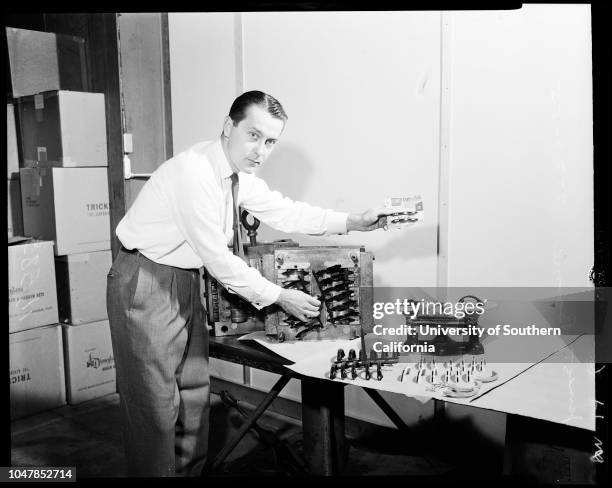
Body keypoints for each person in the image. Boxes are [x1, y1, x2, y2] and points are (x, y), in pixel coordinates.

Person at [106, 90, 397, 477]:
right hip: (145, 279)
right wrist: (278, 296)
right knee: (155, 409)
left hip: (184, 278)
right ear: (229, 127)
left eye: (271, 141)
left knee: (193, 399)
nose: (261, 150)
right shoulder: (194, 174)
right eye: (254, 135)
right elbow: (217, 258)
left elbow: (288, 212)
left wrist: (354, 221)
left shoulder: (239, 176)